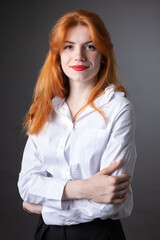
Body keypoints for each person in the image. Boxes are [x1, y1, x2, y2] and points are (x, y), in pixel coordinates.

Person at [18, 9, 136, 240]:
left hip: (98, 234)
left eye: (90, 46)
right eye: (69, 46)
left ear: (103, 54)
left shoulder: (118, 109)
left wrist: (43, 207)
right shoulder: (45, 109)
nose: (79, 55)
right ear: (58, 55)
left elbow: (109, 203)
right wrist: (86, 188)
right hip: (46, 234)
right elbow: (27, 185)